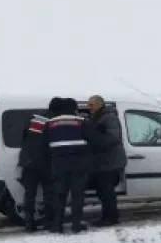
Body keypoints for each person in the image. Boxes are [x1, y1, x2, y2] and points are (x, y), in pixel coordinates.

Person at [45, 97, 92, 233]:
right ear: (73, 108)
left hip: (59, 165)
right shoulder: (81, 121)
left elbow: (45, 145)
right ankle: (76, 225)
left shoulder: (50, 123)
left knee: (59, 196)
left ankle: (57, 225)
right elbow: (91, 140)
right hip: (79, 164)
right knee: (77, 196)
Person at [85, 95, 127, 226]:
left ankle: (111, 218)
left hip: (111, 162)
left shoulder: (109, 117)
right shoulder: (96, 117)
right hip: (102, 162)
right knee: (103, 191)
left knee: (107, 191)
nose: (89, 107)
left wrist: (93, 136)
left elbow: (113, 139)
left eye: (91, 105)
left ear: (100, 104)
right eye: (88, 105)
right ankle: (107, 216)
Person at [17, 101, 55, 232]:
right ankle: (48, 222)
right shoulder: (53, 122)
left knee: (29, 195)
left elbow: (24, 139)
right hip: (44, 163)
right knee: (49, 193)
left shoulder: (35, 120)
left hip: (28, 162)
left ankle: (29, 223)